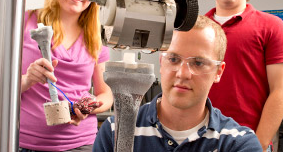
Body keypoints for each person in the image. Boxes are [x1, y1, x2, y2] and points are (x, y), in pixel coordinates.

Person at [93, 15, 263, 151]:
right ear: (161, 61)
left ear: (219, 72)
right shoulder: (115, 131)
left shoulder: (238, 143)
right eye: (173, 59)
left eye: (198, 63)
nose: (183, 74)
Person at [19, 0, 113, 151]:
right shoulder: (25, 21)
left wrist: (87, 106)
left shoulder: (95, 37)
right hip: (25, 142)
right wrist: (27, 80)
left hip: (81, 144)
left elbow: (106, 94)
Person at [204, 0, 283, 151]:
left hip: (246, 142)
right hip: (199, 141)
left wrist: (257, 144)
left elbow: (281, 90)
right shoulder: (196, 28)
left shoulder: (272, 27)